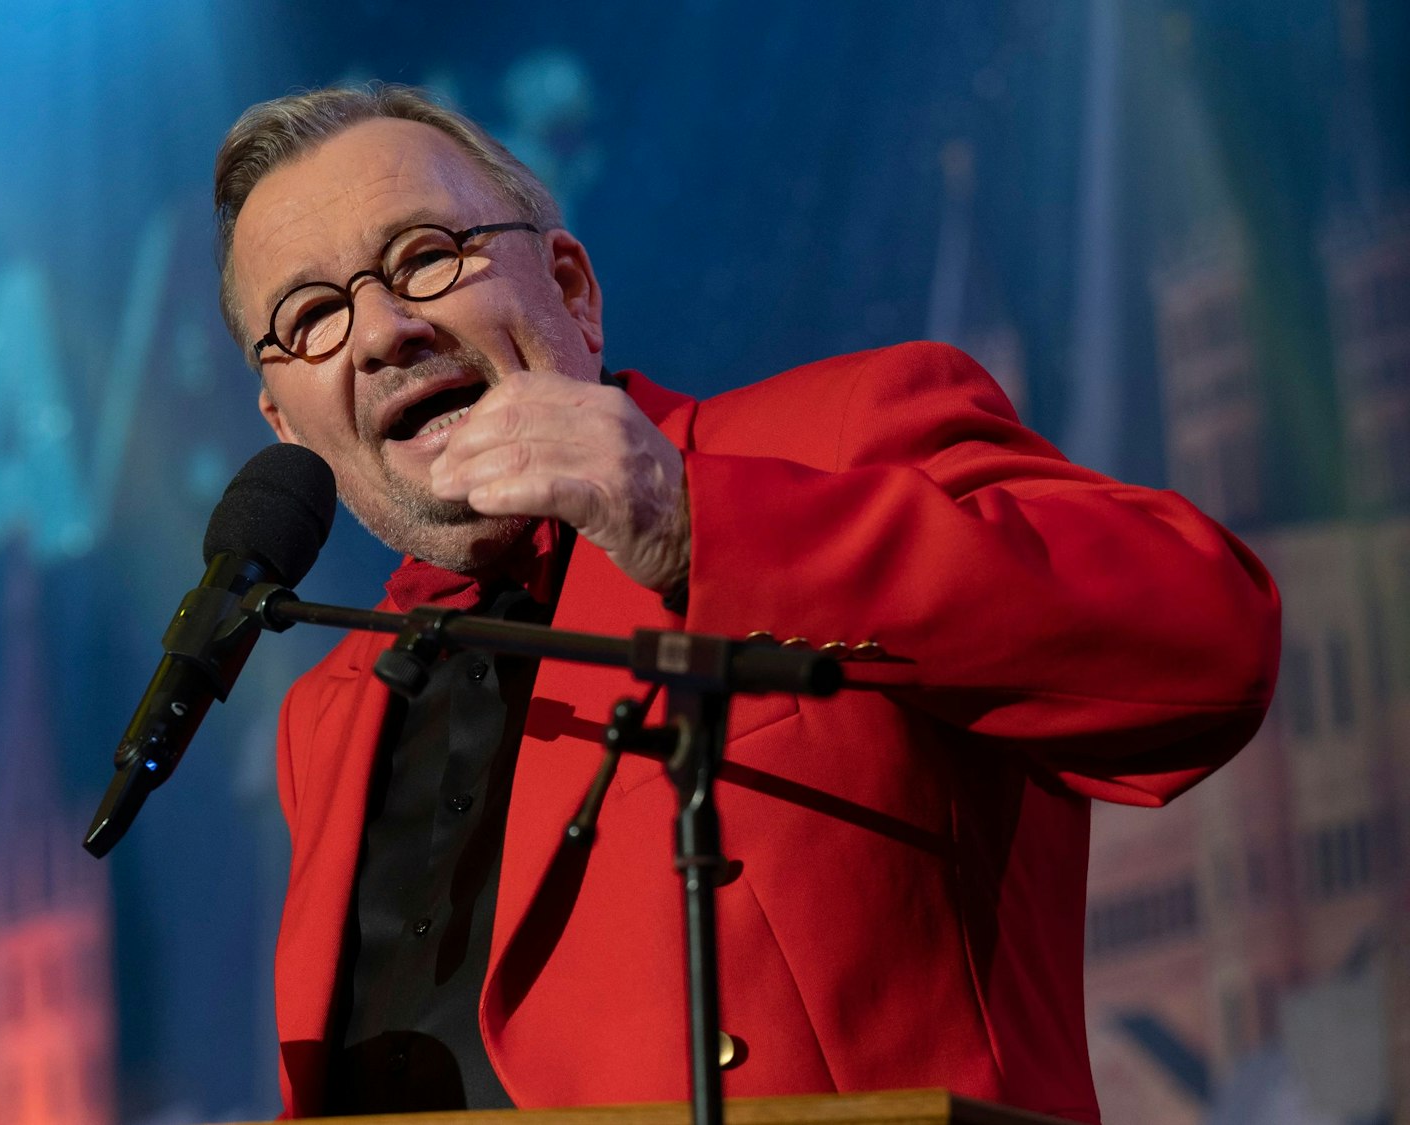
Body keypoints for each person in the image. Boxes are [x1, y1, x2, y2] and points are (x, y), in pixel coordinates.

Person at [212, 84, 1279, 1123]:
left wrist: (695, 528)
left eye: (424, 258)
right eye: (309, 316)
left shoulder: (835, 437)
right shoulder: (325, 715)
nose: (381, 331)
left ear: (572, 291)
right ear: (286, 427)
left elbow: (1207, 647)